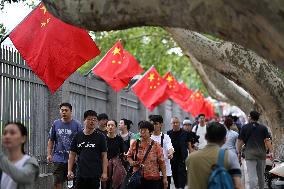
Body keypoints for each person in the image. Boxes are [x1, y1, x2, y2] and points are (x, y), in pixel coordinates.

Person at [186, 121, 242, 189]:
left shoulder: (191, 158)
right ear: (225, 139)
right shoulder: (230, 156)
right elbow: (238, 186)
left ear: (205, 137)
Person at [67, 110, 108, 189]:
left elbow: (104, 156)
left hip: (95, 174)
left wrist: (104, 172)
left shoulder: (101, 137)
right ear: (84, 120)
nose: (92, 121)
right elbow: (72, 154)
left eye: (94, 119)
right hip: (80, 173)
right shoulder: (77, 136)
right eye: (89, 119)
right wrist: (69, 170)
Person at [47, 102, 82, 189]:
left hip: (73, 159)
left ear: (71, 112)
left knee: (72, 184)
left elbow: (81, 142)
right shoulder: (56, 124)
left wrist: (78, 155)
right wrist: (49, 154)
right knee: (56, 181)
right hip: (58, 158)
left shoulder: (77, 125)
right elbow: (51, 140)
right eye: (62, 110)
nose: (64, 112)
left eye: (66, 110)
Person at [237, 110, 273, 189]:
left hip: (250, 155)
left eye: (249, 116)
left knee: (252, 176)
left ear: (251, 117)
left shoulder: (245, 127)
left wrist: (238, 152)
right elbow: (267, 140)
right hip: (261, 154)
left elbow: (240, 141)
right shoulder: (263, 128)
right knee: (261, 176)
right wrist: (271, 152)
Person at [127, 121, 168, 189]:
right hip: (137, 177)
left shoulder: (156, 145)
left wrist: (165, 178)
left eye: (145, 130)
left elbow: (162, 162)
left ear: (151, 132)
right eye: (141, 130)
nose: (142, 132)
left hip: (153, 178)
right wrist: (131, 162)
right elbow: (128, 156)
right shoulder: (135, 143)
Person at [0, 122, 39, 189]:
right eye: (4, 133)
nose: (7, 136)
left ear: (23, 138)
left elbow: (21, 176)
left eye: (12, 133)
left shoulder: (31, 163)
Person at [149, 115, 174, 189]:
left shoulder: (165, 137)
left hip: (165, 173)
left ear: (161, 124)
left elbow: (170, 147)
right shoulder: (148, 137)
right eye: (152, 124)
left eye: (156, 123)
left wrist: (170, 153)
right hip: (150, 172)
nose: (154, 126)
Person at [167, 117, 192, 189]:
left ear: (179, 123)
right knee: (175, 176)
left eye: (176, 122)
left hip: (182, 158)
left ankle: (181, 187)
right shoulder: (168, 133)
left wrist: (190, 155)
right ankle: (178, 187)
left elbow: (189, 145)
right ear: (171, 124)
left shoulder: (185, 133)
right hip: (172, 158)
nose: (175, 124)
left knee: (182, 176)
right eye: (173, 123)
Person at [103, 119, 126, 189]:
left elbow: (122, 152)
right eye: (108, 125)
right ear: (106, 127)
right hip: (104, 164)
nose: (110, 127)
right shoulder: (102, 138)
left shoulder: (119, 139)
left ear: (115, 127)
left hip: (115, 165)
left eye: (112, 125)